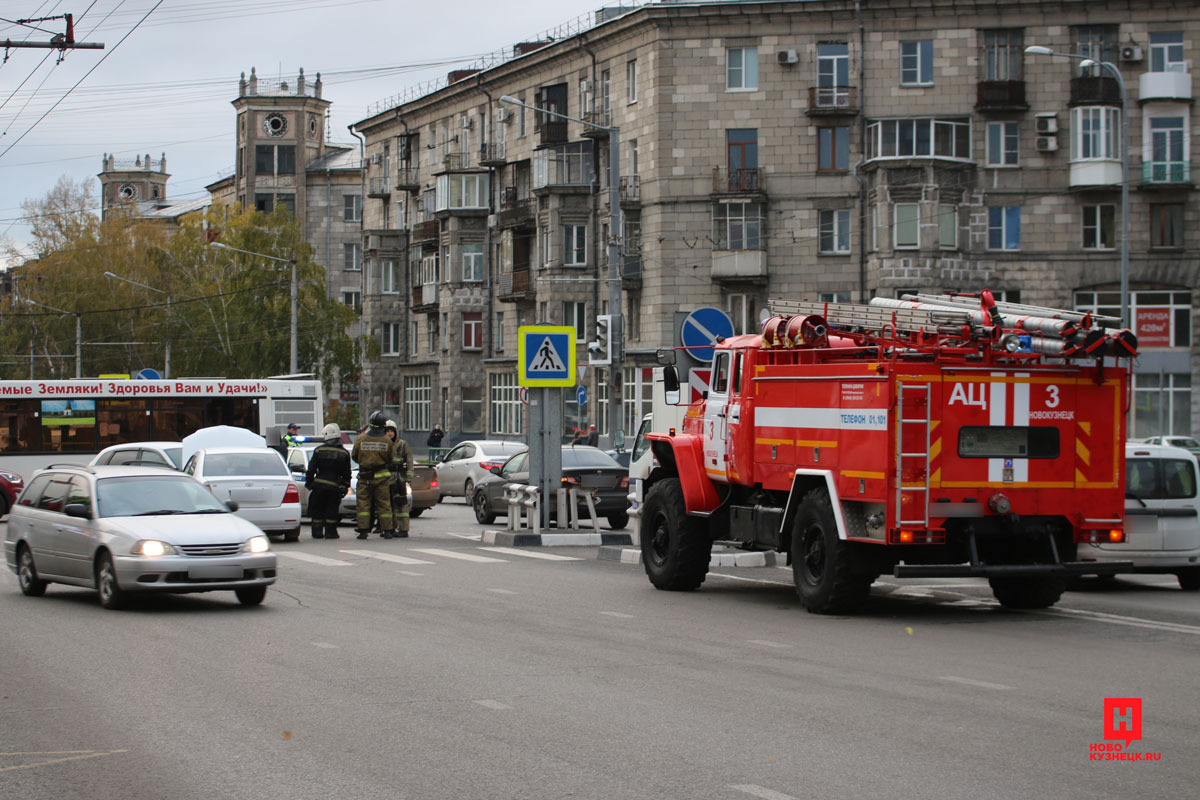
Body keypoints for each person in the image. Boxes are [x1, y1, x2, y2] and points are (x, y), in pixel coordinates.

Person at [351, 411, 396, 539]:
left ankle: (363, 530)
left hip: (365, 475)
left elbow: (354, 456)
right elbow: (390, 458)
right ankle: (387, 530)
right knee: (384, 503)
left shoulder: (361, 438)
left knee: (363, 503)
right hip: (381, 476)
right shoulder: (387, 440)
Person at [305, 423, 352, 540]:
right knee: (332, 510)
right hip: (335, 487)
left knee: (317, 510)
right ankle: (331, 532)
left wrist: (309, 483)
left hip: (319, 486)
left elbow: (311, 469)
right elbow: (347, 473)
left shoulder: (319, 450)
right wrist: (345, 486)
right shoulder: (344, 453)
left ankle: (317, 532)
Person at [384, 420, 415, 537]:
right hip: (386, 479)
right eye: (387, 431)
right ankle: (390, 528)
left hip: (399, 479)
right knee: (388, 505)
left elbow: (409, 461)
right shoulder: (383, 444)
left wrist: (409, 477)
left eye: (391, 431)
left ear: (395, 432)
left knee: (401, 504)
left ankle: (403, 529)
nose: (389, 433)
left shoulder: (402, 444)